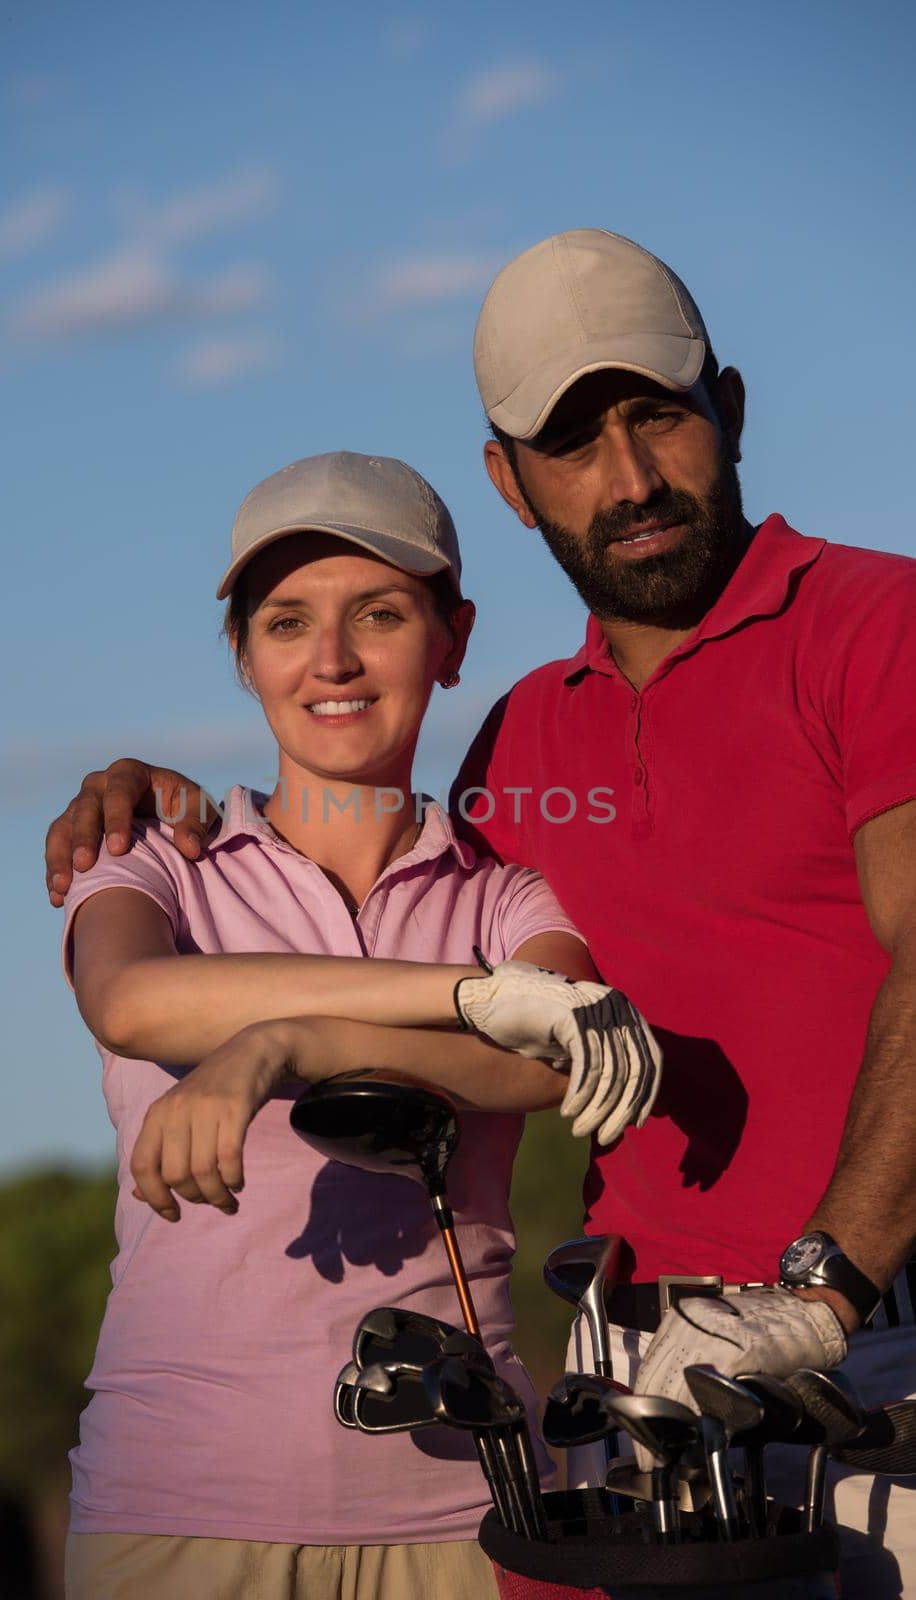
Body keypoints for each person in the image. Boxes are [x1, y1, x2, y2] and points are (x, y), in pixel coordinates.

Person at [47, 231, 916, 1595]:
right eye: (571, 442)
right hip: (619, 1391)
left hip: (865, 1343)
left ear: (730, 408)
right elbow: (168, 984)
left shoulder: (878, 622)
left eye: (658, 416)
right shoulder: (512, 756)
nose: (628, 478)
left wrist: (824, 1291)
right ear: (512, 484)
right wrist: (141, 797)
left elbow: (549, 1041)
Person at [54, 448, 661, 1600]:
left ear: (454, 638)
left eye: (378, 614)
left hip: (469, 1516)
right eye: (286, 622)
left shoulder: (507, 893)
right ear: (243, 654)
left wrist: (287, 1044)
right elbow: (132, 1001)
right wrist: (463, 995)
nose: (331, 660)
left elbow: (552, 1057)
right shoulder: (156, 861)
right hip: (177, 1509)